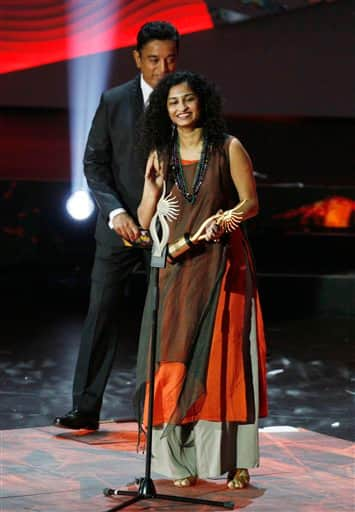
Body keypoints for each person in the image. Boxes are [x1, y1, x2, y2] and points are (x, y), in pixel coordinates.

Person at [135, 71, 268, 488]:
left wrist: (226, 218)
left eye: (188, 100)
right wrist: (150, 187)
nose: (181, 108)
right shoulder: (161, 154)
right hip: (176, 268)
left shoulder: (228, 147)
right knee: (174, 359)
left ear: (202, 103)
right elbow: (144, 220)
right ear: (165, 110)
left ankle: (236, 459)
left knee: (223, 362)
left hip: (224, 267)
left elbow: (251, 204)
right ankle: (179, 461)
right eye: (173, 103)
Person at [54, 21, 180, 431]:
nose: (163, 68)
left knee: (165, 321)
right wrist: (116, 214)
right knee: (102, 314)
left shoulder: (186, 100)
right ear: (137, 59)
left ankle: (161, 411)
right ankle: (85, 408)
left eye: (170, 59)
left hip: (168, 229)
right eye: (154, 60)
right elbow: (95, 163)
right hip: (118, 229)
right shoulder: (114, 100)